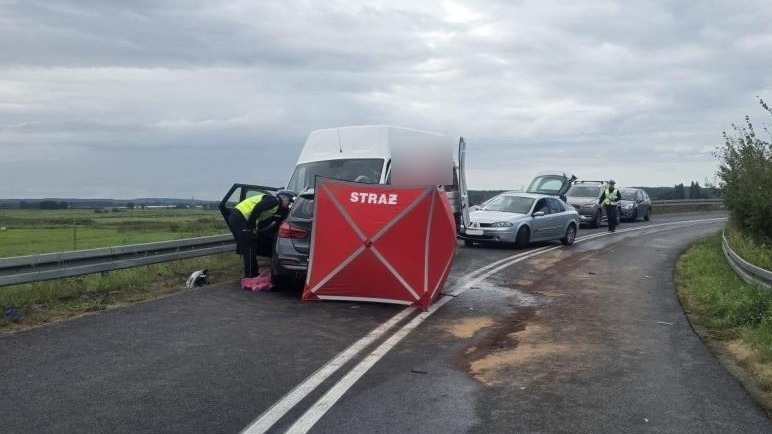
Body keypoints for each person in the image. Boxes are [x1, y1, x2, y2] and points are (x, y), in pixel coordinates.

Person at [228, 190, 295, 277]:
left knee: (251, 246)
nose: (289, 204)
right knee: (249, 247)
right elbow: (257, 208)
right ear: (284, 198)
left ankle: (254, 273)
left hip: (239, 216)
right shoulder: (274, 200)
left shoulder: (276, 205)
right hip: (240, 216)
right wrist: (251, 227)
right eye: (289, 201)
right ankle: (250, 275)